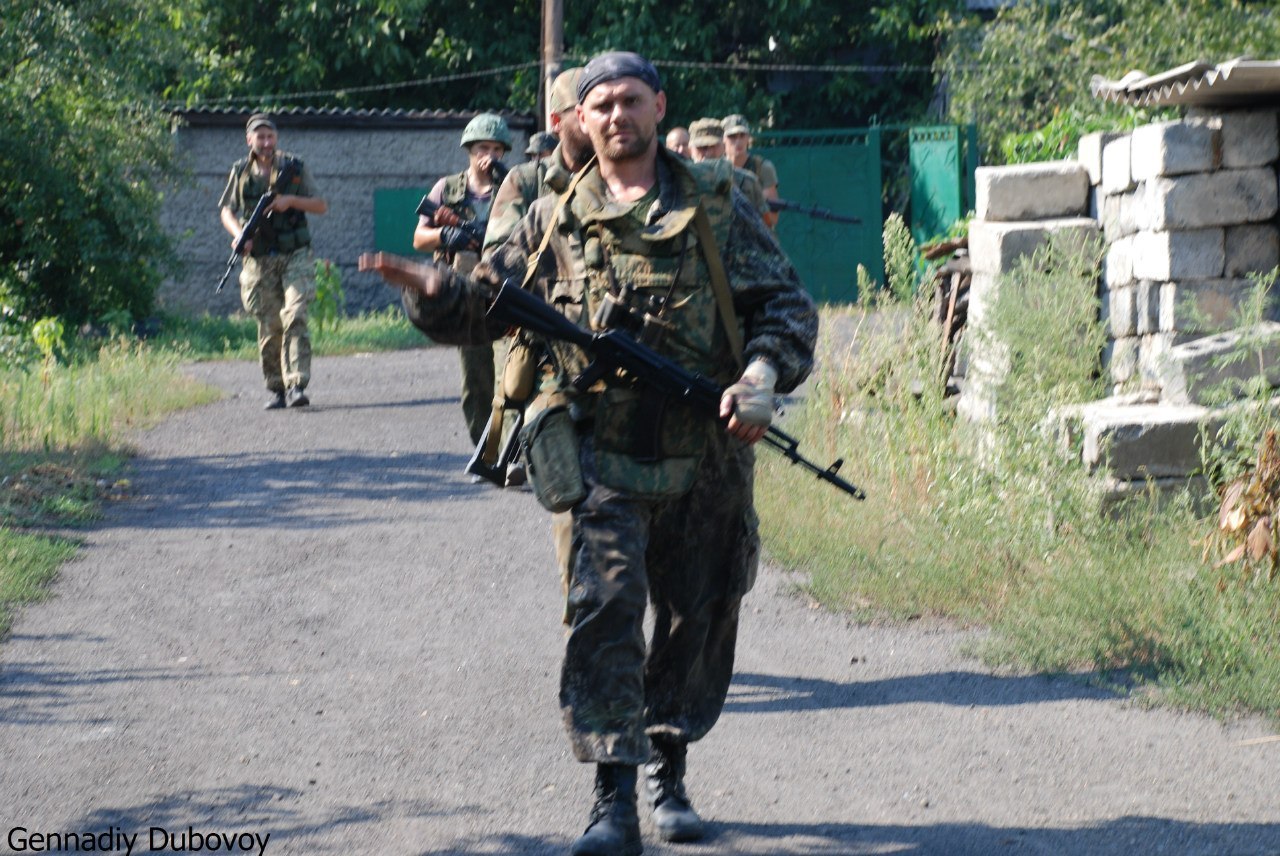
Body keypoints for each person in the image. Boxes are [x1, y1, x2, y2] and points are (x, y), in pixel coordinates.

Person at [360, 51, 816, 856]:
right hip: (602, 450)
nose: (616, 117)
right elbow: (492, 300)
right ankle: (612, 800)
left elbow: (783, 305)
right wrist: (432, 293)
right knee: (604, 613)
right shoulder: (553, 214)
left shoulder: (717, 201)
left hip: (705, 451)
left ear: (657, 106)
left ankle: (667, 770)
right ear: (580, 118)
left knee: (695, 614)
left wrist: (761, 375)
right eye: (599, 104)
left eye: (631, 102)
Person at [412, 112, 511, 448]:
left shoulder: (512, 187)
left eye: (497, 149)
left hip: (506, 293)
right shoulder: (448, 188)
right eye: (483, 147)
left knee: (513, 373)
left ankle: (515, 448)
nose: (490, 156)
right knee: (476, 378)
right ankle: (486, 448)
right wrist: (446, 236)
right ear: (469, 149)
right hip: (465, 295)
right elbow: (418, 238)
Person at [219, 113, 328, 409]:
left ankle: (297, 384)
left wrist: (289, 201)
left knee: (294, 314)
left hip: (295, 254)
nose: (266, 143)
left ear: (276, 138)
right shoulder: (240, 171)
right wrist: (240, 234)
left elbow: (320, 204)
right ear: (249, 140)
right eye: (260, 137)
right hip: (259, 259)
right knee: (269, 325)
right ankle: (277, 388)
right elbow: (227, 210)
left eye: (270, 136)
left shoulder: (294, 168)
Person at [687, 117, 770, 219]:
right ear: (690, 150)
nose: (708, 153)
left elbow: (765, 227)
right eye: (701, 148)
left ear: (723, 147)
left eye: (713, 146)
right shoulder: (679, 182)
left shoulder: (747, 182)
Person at [723, 113, 780, 229]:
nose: (738, 142)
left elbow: (772, 219)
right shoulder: (716, 168)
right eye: (732, 137)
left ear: (748, 138)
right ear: (723, 139)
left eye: (742, 135)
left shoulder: (762, 168)